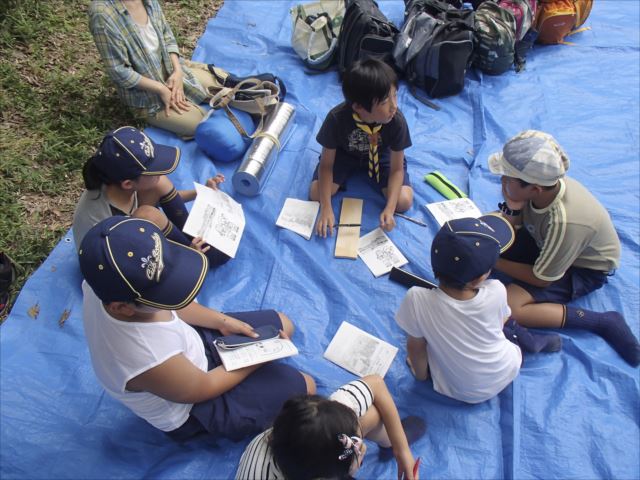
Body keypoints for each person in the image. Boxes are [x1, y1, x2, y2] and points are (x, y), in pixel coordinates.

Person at [78, 216, 316, 441]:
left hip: (190, 345)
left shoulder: (102, 282)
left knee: (284, 324)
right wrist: (260, 355)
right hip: (194, 404)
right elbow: (202, 388)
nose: (173, 295)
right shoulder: (144, 355)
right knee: (306, 385)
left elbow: (176, 306)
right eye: (163, 294)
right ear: (122, 307)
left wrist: (223, 322)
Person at [488, 130, 640, 367]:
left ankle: (602, 322)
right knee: (490, 230)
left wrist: (494, 260)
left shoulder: (564, 222)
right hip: (543, 241)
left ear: (534, 189)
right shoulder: (539, 190)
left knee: (509, 306)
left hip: (581, 268)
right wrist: (513, 209)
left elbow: (542, 278)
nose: (501, 183)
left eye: (507, 178)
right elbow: (510, 226)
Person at [395, 215, 561, 404]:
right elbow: (497, 327)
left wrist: (421, 376)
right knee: (505, 326)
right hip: (506, 368)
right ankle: (528, 340)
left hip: (459, 391)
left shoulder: (416, 299)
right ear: (479, 278)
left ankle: (529, 340)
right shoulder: (497, 289)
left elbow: (415, 349)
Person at [72, 126, 229, 266]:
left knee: (159, 184)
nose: (160, 172)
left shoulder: (115, 181)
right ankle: (191, 254)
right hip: (113, 259)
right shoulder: (109, 221)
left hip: (129, 228)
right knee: (148, 214)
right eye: (153, 171)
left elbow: (168, 196)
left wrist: (201, 192)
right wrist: (186, 254)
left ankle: (190, 236)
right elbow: (124, 261)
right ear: (127, 184)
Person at [235, 375, 424, 480]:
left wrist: (402, 451)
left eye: (356, 443)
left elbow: (375, 384)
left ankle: (389, 443)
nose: (363, 448)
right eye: (354, 455)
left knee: (371, 414)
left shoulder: (314, 421)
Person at [89, 0, 230, 138]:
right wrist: (161, 89)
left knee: (226, 84)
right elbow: (119, 71)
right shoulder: (102, 15)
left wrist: (178, 72)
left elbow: (167, 36)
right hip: (147, 95)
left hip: (171, 69)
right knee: (206, 127)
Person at [311, 58, 414, 236]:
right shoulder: (337, 119)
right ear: (358, 106)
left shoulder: (396, 121)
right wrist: (326, 209)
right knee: (315, 195)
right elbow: (327, 165)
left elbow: (397, 169)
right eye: (384, 102)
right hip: (345, 155)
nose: (394, 106)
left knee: (403, 201)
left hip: (381, 155)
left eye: (395, 95)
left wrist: (389, 209)